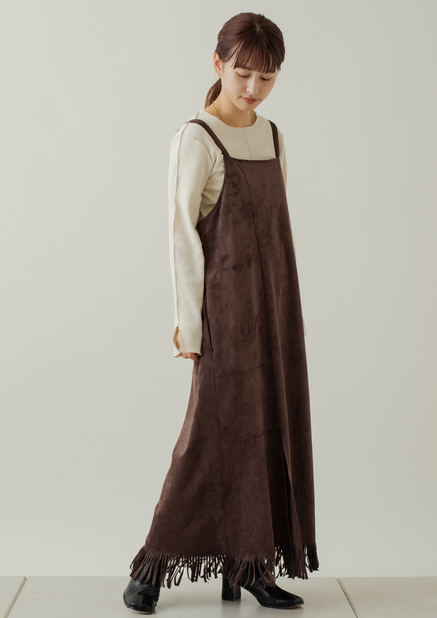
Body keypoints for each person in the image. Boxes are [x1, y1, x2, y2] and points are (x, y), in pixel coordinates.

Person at [123, 12, 319, 614]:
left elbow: (275, 229)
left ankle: (252, 566)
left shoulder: (274, 137)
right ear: (218, 64)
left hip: (275, 306)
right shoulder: (197, 139)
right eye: (242, 73)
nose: (253, 88)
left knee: (270, 428)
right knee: (208, 437)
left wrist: (284, 306)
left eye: (267, 77)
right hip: (224, 314)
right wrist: (189, 325)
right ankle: (152, 566)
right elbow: (182, 236)